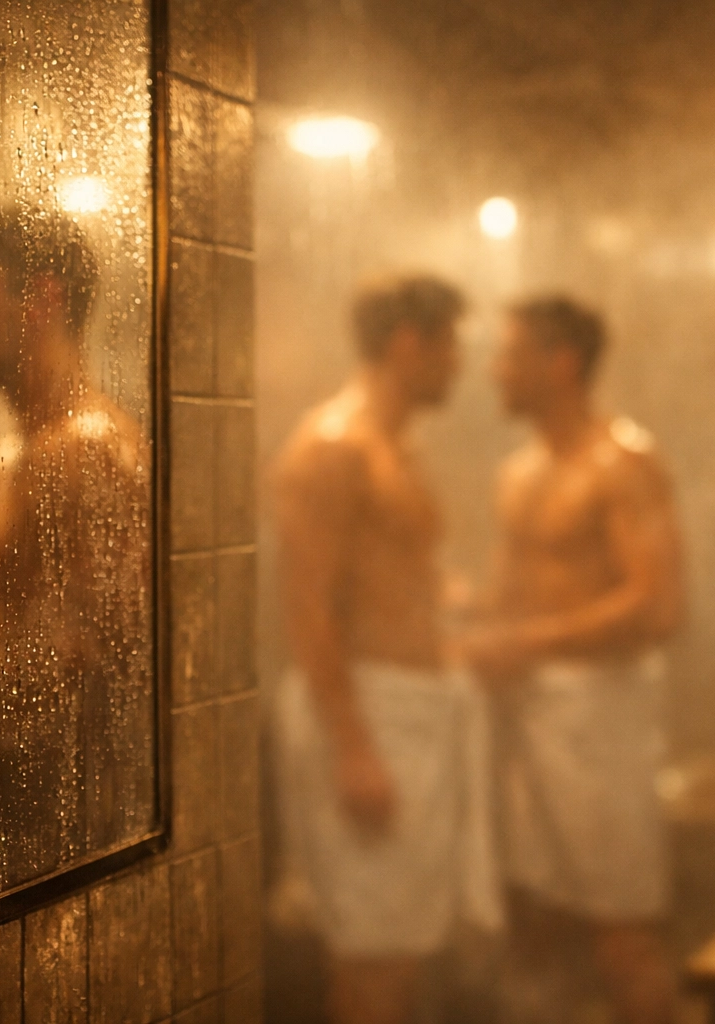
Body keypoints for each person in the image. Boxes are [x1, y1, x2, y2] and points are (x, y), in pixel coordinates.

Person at [271, 274, 502, 1024]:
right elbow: (305, 606)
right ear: (409, 344)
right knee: (373, 953)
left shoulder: (397, 446)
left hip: (410, 713)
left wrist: (453, 603)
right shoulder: (333, 448)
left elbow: (392, 577)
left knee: (401, 944)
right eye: (452, 347)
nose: (460, 367)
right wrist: (354, 746)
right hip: (367, 715)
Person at [463, 296, 682, 1024]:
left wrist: (522, 643)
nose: (494, 370)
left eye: (509, 354)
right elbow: (509, 595)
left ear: (561, 363)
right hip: (525, 711)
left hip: (598, 714)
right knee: (534, 918)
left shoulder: (622, 463)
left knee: (620, 927)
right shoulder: (517, 473)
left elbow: (656, 605)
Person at [0, 205, 151, 875]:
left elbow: (118, 658)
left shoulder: (86, 452)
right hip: (13, 804)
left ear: (43, 300)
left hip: (72, 822)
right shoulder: (7, 460)